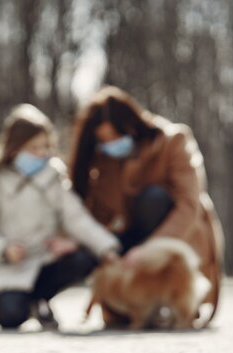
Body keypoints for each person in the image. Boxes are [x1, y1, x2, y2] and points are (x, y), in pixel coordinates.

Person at [68, 86, 224, 326]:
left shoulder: (174, 140)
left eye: (113, 138)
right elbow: (97, 213)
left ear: (130, 126)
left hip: (174, 239)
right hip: (128, 241)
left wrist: (149, 251)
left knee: (153, 198)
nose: (109, 146)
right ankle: (132, 302)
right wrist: (105, 246)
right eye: (103, 141)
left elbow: (188, 205)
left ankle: (171, 295)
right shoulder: (104, 161)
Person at [0, 104, 120, 330]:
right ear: (15, 149)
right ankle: (23, 301)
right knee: (11, 316)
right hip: (8, 266)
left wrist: (107, 247)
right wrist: (3, 249)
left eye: (45, 146)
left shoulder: (53, 178)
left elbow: (77, 218)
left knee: (84, 258)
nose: (42, 153)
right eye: (34, 148)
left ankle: (41, 298)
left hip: (44, 261)